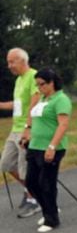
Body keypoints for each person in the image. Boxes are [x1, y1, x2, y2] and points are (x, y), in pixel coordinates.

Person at [23, 68, 72, 233]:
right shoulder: (43, 99)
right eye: (37, 85)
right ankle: (48, 210)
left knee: (47, 183)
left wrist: (52, 146)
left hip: (51, 148)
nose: (39, 88)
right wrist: (27, 135)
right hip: (35, 146)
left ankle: (52, 220)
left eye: (42, 84)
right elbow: (36, 121)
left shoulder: (61, 99)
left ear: (52, 83)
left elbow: (63, 125)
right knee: (31, 181)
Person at [0, 48, 41, 218]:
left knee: (25, 168)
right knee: (6, 164)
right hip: (14, 129)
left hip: (26, 129)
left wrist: (28, 128)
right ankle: (31, 190)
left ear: (23, 61)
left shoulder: (34, 76)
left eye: (12, 61)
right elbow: (18, 105)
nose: (9, 65)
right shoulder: (18, 80)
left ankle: (34, 200)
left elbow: (35, 102)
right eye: (8, 62)